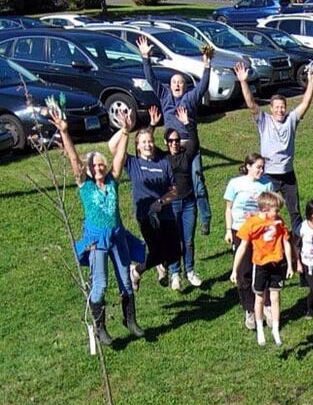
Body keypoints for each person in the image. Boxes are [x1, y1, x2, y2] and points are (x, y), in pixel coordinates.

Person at [46, 107, 145, 345]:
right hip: (96, 242)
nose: (98, 168)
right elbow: (74, 160)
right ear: (89, 171)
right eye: (94, 167)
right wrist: (65, 133)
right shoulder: (86, 186)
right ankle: (100, 328)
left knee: (125, 280)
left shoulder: (112, 181)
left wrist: (125, 131)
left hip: (118, 238)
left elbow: (120, 157)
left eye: (101, 165)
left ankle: (130, 320)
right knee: (100, 284)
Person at [137, 36, 213, 236]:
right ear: (170, 85)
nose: (177, 85)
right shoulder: (164, 96)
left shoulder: (190, 98)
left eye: (180, 82)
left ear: (185, 86)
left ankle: (205, 218)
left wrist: (207, 65)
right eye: (174, 82)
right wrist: (146, 57)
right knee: (171, 184)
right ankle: (168, 215)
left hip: (188, 146)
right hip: (171, 148)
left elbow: (203, 85)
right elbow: (151, 78)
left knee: (197, 180)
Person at [236, 59, 313, 233]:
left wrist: (311, 82)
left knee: (294, 211)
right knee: (266, 211)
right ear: (271, 108)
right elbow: (251, 104)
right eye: (276, 107)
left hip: (288, 175)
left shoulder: (291, 119)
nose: (280, 110)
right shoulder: (264, 120)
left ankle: (298, 246)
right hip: (268, 176)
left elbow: (305, 103)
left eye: (282, 107)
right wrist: (243, 81)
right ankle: (266, 243)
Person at [108, 113, 179, 292]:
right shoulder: (133, 163)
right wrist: (125, 129)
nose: (148, 145)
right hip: (146, 215)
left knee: (174, 253)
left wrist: (161, 202)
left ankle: (156, 265)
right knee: (158, 252)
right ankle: (137, 270)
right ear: (137, 146)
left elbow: (175, 191)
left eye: (150, 141)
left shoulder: (163, 163)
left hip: (165, 213)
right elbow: (112, 146)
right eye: (144, 142)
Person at [147, 106, 202, 291]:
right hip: (172, 204)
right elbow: (145, 145)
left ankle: (190, 271)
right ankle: (175, 273)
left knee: (188, 240)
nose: (174, 144)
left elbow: (194, 141)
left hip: (188, 202)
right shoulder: (162, 158)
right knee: (174, 240)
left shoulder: (186, 155)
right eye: (170, 141)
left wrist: (188, 123)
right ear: (165, 142)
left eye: (177, 141)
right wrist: (152, 125)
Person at [230, 191, 293, 347]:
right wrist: (234, 269)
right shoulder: (252, 223)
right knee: (260, 298)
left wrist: (290, 264)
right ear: (265, 209)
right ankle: (259, 328)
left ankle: (276, 329)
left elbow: (286, 242)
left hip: (276, 264)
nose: (278, 214)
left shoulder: (278, 221)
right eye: (275, 210)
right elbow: (242, 246)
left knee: (275, 298)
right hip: (260, 265)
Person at [223, 153, 274, 330]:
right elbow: (228, 209)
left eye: (263, 167)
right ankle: (249, 309)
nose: (261, 170)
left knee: (263, 268)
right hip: (240, 230)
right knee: (244, 270)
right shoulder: (235, 184)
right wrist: (229, 230)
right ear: (248, 167)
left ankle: (266, 304)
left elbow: (271, 208)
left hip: (261, 232)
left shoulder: (267, 184)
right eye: (258, 167)